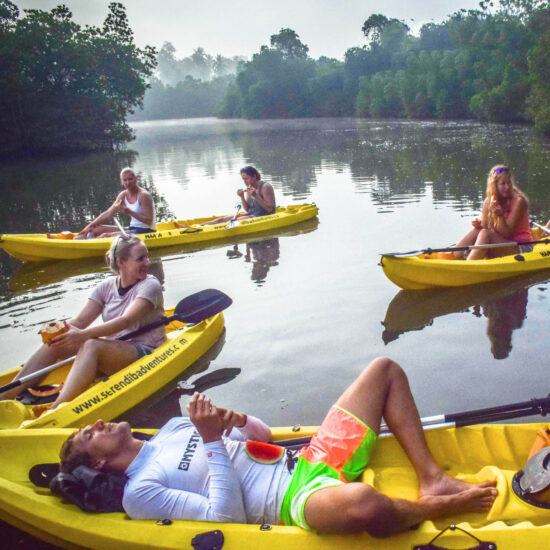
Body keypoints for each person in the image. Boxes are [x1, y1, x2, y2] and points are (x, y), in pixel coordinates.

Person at [59, 358, 497, 537]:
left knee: (384, 370)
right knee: (364, 503)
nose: (96, 422)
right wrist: (213, 440)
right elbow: (224, 518)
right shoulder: (140, 492)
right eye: (88, 433)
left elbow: (264, 436)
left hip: (307, 459)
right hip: (292, 500)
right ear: (98, 460)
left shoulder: (173, 427)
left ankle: (432, 479)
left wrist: (234, 421)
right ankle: (435, 509)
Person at [0, 235, 165, 409]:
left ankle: (57, 408)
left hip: (146, 350)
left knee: (91, 345)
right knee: (55, 343)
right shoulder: (107, 286)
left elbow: (125, 321)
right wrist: (58, 330)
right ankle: (5, 395)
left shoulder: (150, 285)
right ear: (121, 262)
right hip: (115, 348)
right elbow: (79, 321)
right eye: (141, 258)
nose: (147, 262)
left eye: (146, 256)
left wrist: (83, 336)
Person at [454, 165, 530, 260]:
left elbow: (506, 234)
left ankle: (467, 266)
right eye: (503, 184)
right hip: (501, 244)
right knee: (478, 231)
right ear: (494, 185)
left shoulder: (519, 201)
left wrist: (500, 215)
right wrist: (478, 224)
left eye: (509, 183)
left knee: (486, 234)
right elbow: (485, 227)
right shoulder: (488, 201)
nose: (507, 187)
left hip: (521, 247)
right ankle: (452, 257)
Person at [77, 167, 156, 239]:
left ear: (135, 179)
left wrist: (129, 211)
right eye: (125, 180)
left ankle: (87, 245)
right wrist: (90, 225)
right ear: (122, 182)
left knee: (105, 236)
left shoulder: (143, 195)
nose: (128, 182)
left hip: (146, 231)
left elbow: (149, 221)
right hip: (132, 228)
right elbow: (109, 213)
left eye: (130, 179)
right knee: (96, 229)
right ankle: (81, 238)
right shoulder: (123, 195)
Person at [204, 166, 276, 225]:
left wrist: (256, 196)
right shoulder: (249, 189)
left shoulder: (265, 187)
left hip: (263, 216)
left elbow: (270, 209)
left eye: (247, 179)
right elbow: (248, 209)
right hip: (252, 215)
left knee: (233, 222)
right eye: (243, 179)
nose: (245, 182)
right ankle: (199, 227)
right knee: (220, 220)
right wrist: (242, 197)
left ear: (254, 176)